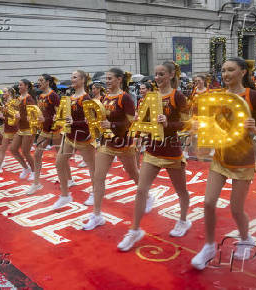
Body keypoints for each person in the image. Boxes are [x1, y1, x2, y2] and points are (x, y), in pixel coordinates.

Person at [191, 57, 256, 270]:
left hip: (243, 160)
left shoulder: (254, 96)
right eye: (223, 70)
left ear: (243, 71)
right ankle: (208, 246)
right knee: (208, 203)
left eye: (231, 70)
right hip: (220, 158)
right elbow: (212, 125)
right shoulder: (217, 96)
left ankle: (246, 238)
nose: (225, 74)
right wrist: (199, 126)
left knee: (236, 209)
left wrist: (255, 129)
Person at [117, 61, 191, 252]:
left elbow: (187, 123)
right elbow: (143, 123)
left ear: (171, 75)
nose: (157, 78)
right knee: (141, 190)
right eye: (156, 74)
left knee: (180, 190)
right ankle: (134, 230)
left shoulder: (178, 96)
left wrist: (169, 123)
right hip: (152, 150)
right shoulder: (149, 97)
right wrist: (138, 129)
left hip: (172, 150)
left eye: (161, 74)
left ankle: (183, 220)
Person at [83, 68, 140, 230]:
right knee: (98, 176)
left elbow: (131, 123)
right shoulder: (106, 97)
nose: (107, 81)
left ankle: (146, 194)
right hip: (107, 143)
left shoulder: (126, 98)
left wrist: (113, 125)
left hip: (124, 143)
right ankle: (97, 215)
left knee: (133, 173)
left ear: (119, 79)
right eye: (106, 78)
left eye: (110, 78)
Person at [53, 70, 95, 209]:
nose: (72, 79)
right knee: (59, 162)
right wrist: (58, 119)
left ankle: (95, 193)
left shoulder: (86, 98)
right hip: (69, 136)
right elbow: (66, 117)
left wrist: (74, 122)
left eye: (75, 77)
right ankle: (65, 195)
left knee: (92, 167)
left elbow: (91, 121)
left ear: (83, 80)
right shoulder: (70, 98)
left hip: (84, 137)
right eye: (71, 77)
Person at [27, 74, 63, 194]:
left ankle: (66, 178)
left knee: (60, 157)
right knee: (37, 154)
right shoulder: (41, 95)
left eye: (41, 80)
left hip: (56, 129)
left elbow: (60, 114)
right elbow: (40, 112)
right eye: (38, 80)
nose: (39, 82)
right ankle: (36, 183)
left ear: (48, 82)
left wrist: (53, 119)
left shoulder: (53, 95)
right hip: (44, 130)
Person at [9, 79, 36, 180]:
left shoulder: (29, 99)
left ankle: (34, 171)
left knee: (26, 152)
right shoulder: (18, 98)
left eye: (21, 85)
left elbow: (33, 117)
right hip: (21, 128)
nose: (19, 87)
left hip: (29, 129)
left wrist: (20, 117)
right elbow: (16, 113)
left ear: (27, 87)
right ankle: (26, 168)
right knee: (13, 149)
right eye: (19, 85)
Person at [0, 87, 18, 176]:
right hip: (7, 128)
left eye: (5, 92)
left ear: (10, 93)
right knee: (3, 149)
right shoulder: (4, 103)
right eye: (3, 92)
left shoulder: (14, 102)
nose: (3, 93)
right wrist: (1, 114)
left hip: (15, 127)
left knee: (21, 149)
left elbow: (15, 116)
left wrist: (4, 114)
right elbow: (2, 115)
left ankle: (30, 166)